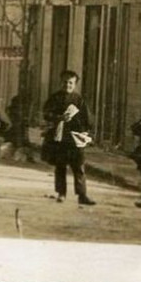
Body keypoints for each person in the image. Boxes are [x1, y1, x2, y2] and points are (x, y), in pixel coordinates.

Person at [40, 69, 96, 205]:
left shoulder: (79, 100)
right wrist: (59, 117)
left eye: (71, 83)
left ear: (75, 84)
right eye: (65, 82)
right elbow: (46, 114)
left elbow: (88, 119)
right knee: (60, 166)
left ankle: (82, 195)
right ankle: (61, 193)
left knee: (79, 166)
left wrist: (85, 131)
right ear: (61, 82)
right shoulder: (55, 98)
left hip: (74, 137)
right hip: (60, 137)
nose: (68, 85)